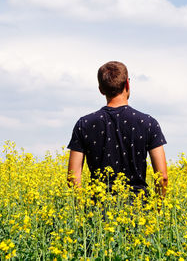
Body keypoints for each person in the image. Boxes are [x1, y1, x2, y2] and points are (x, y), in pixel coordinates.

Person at [67, 61, 168, 197]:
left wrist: (80, 211)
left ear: (101, 89)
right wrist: (159, 211)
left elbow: (72, 177)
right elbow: (162, 177)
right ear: (127, 84)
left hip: (98, 211)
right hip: (140, 212)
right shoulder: (148, 123)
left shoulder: (84, 124)